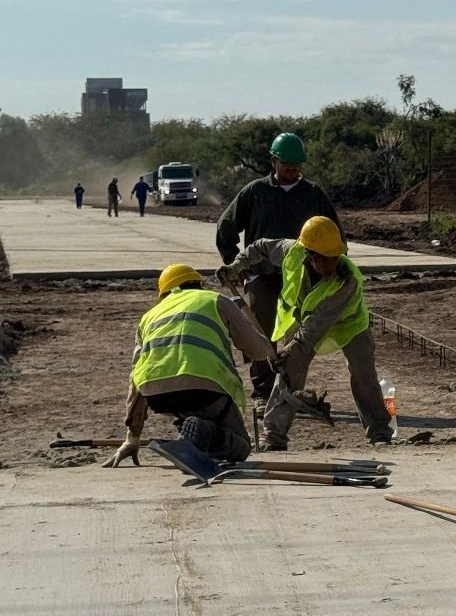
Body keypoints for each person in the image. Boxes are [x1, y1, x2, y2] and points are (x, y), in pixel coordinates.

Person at [217, 215, 392, 450]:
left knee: (363, 373)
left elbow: (315, 327)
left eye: (336, 257)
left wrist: (290, 349)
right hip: (302, 319)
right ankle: (274, 437)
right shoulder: (292, 251)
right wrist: (235, 267)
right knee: (289, 373)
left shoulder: (346, 279)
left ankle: (379, 431)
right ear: (310, 255)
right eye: (327, 259)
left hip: (348, 324)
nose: (333, 263)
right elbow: (258, 248)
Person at [102, 264, 275, 468]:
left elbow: (137, 376)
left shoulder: (149, 316)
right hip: (205, 388)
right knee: (241, 447)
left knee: (195, 422)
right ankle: (203, 432)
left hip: (157, 395)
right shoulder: (216, 300)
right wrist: (241, 316)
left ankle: (196, 438)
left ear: (164, 293)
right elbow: (259, 352)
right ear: (199, 285)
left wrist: (132, 437)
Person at [215, 132, 340, 408]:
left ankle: (290, 390)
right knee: (262, 334)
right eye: (287, 165)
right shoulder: (255, 193)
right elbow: (226, 229)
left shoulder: (313, 194)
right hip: (263, 276)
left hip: (303, 279)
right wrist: (236, 264)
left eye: (297, 165)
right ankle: (262, 394)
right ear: (274, 161)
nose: (293, 170)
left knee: (298, 337)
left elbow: (334, 233)